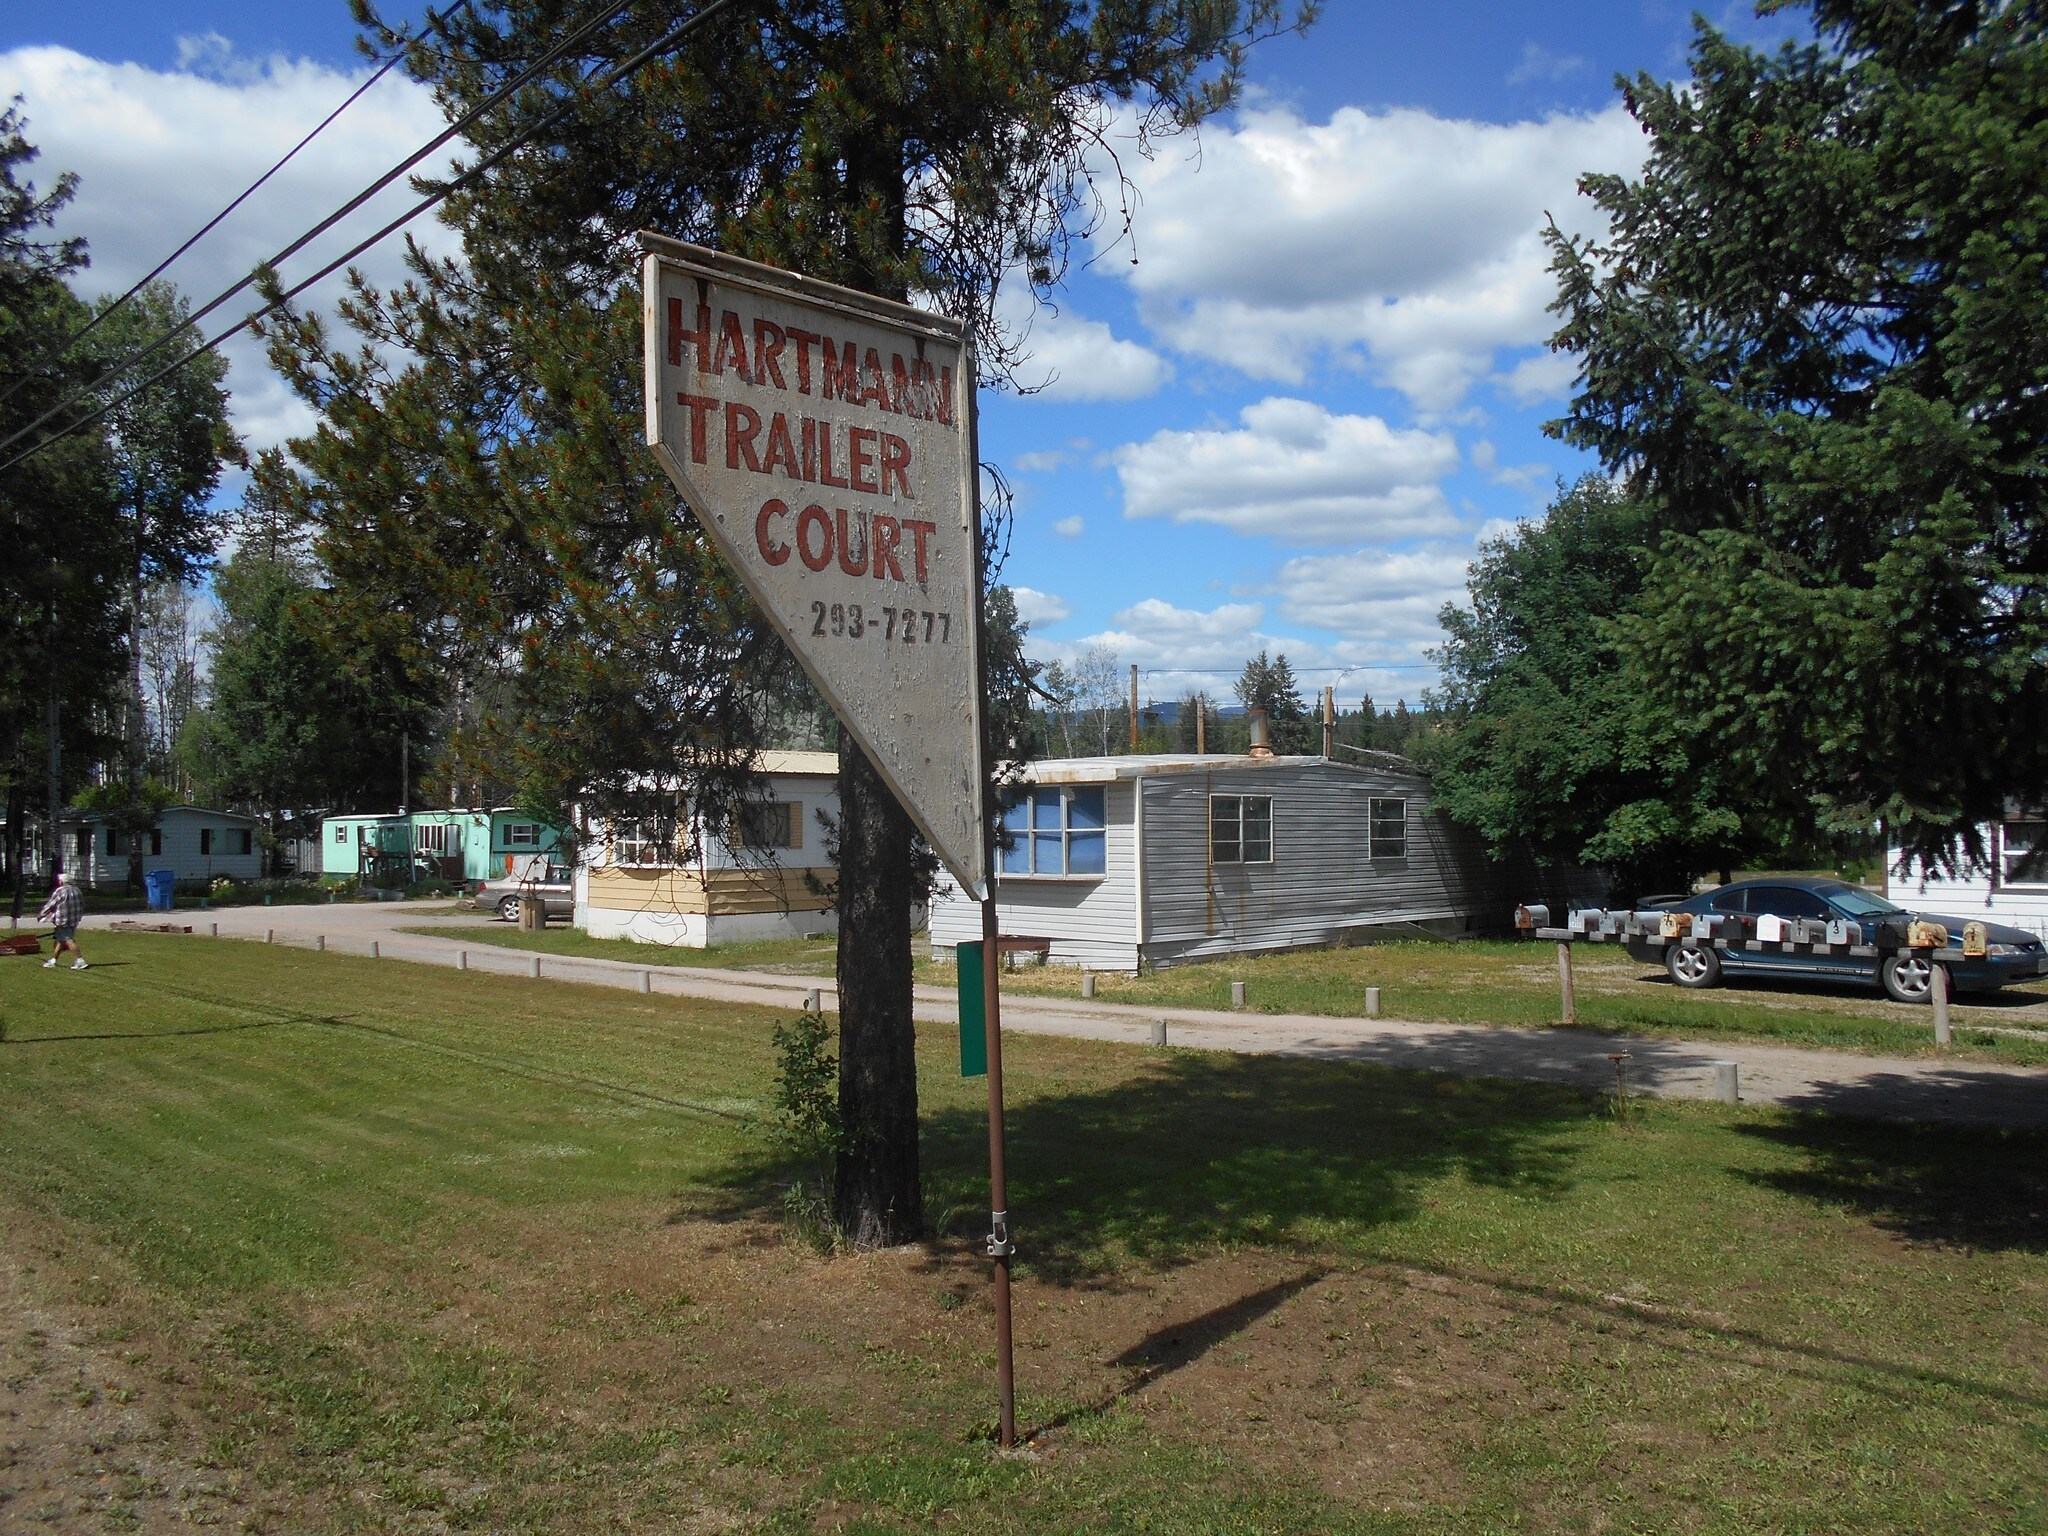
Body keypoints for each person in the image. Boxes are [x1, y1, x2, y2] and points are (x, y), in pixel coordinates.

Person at [37, 869, 87, 971]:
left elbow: (51, 904)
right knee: (61, 940)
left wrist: (42, 914)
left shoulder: (60, 891)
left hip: (63, 920)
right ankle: (54, 960)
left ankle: (80, 960)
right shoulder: (77, 890)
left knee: (68, 940)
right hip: (74, 919)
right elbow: (82, 905)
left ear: (62, 882)